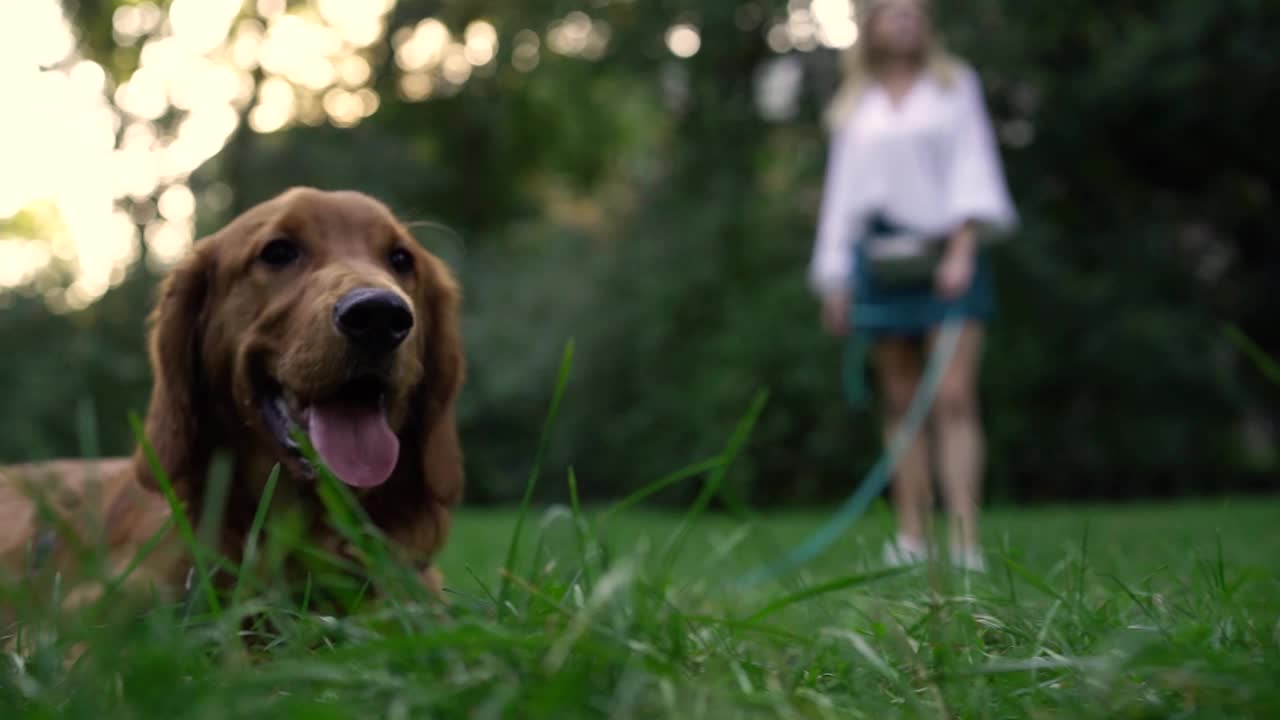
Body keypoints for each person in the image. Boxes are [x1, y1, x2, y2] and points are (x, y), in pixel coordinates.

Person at [808, 0, 1017, 572]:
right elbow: (841, 195)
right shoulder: (857, 103)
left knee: (952, 397)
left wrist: (962, 248)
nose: (905, 19)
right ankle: (911, 536)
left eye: (914, 11)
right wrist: (835, 279)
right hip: (880, 265)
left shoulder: (954, 86)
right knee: (900, 399)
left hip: (948, 259)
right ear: (871, 23)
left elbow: (973, 164)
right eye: (892, 11)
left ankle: (966, 541)